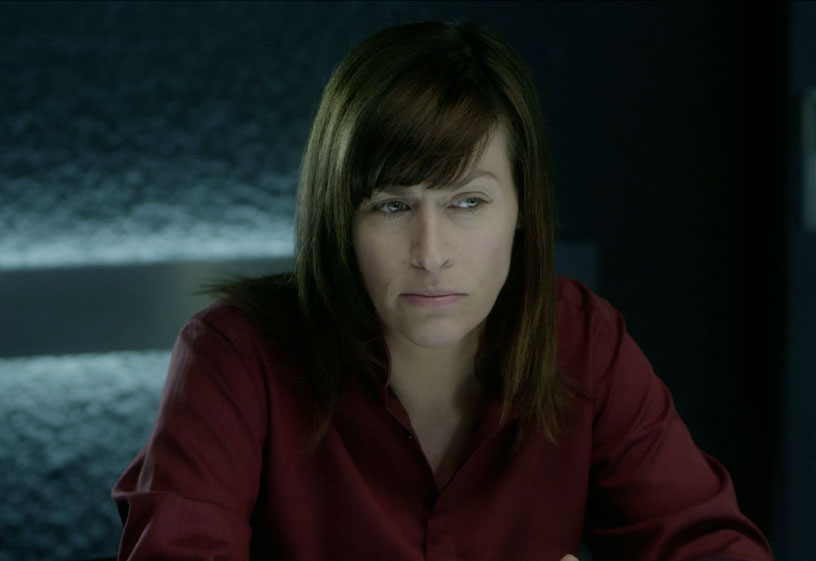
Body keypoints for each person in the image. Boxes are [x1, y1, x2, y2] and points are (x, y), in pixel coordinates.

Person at [112, 21, 772, 561]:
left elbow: (713, 547)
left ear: (522, 208)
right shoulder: (235, 356)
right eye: (392, 206)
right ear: (340, 217)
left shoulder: (582, 342)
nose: (430, 253)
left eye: (468, 202)